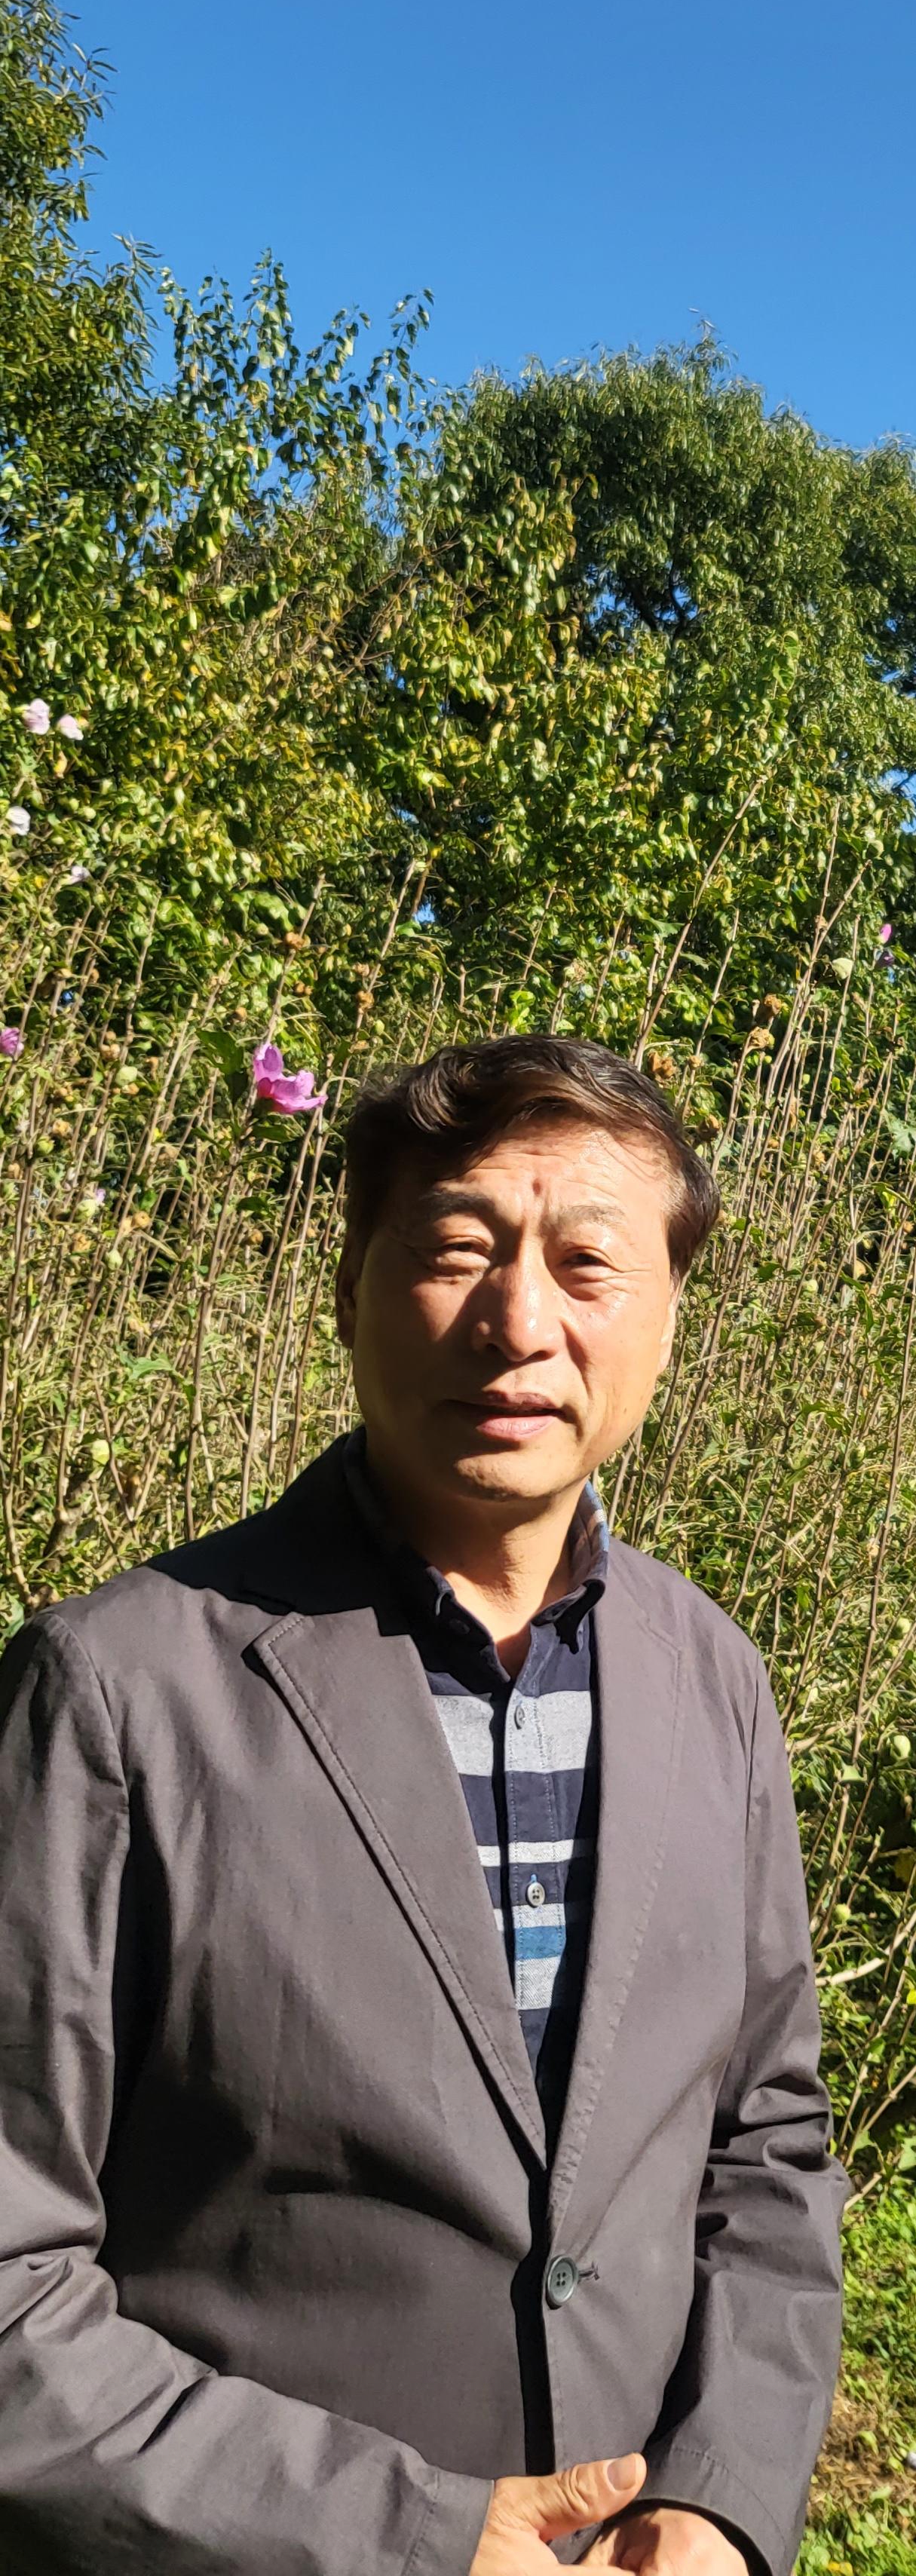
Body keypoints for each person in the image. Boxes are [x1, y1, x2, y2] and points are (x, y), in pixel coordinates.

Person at [0, 1034, 846, 2575]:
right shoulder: (114, 1694)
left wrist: (721, 2493)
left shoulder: (711, 1679)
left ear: (669, 1314)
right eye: (456, 1250)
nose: (519, 1322)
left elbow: (766, 2141)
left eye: (588, 1265)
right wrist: (408, 2535)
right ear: (348, 1287)